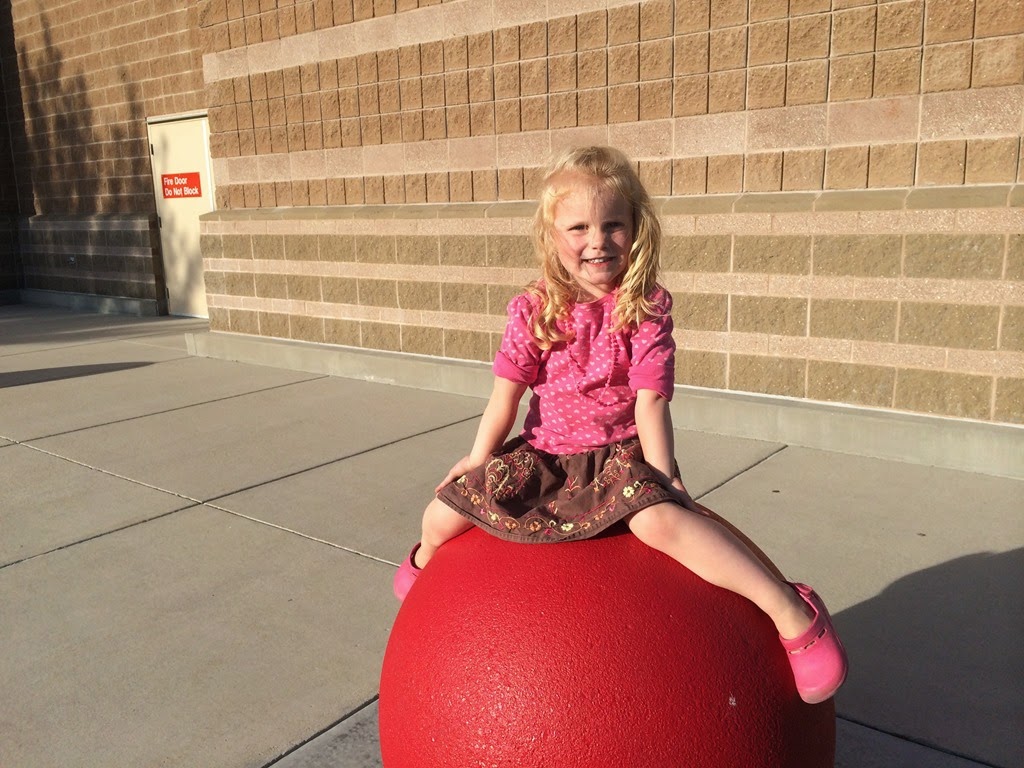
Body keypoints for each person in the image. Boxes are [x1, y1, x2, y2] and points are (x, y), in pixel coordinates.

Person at [393, 145, 848, 705]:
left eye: (613, 224)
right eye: (578, 227)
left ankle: (793, 613)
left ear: (635, 229)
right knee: (442, 512)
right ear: (551, 237)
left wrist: (663, 477)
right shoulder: (533, 310)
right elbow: (505, 396)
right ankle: (422, 568)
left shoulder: (644, 308)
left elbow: (650, 401)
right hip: (544, 455)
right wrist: (479, 459)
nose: (598, 241)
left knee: (661, 524)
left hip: (619, 456)